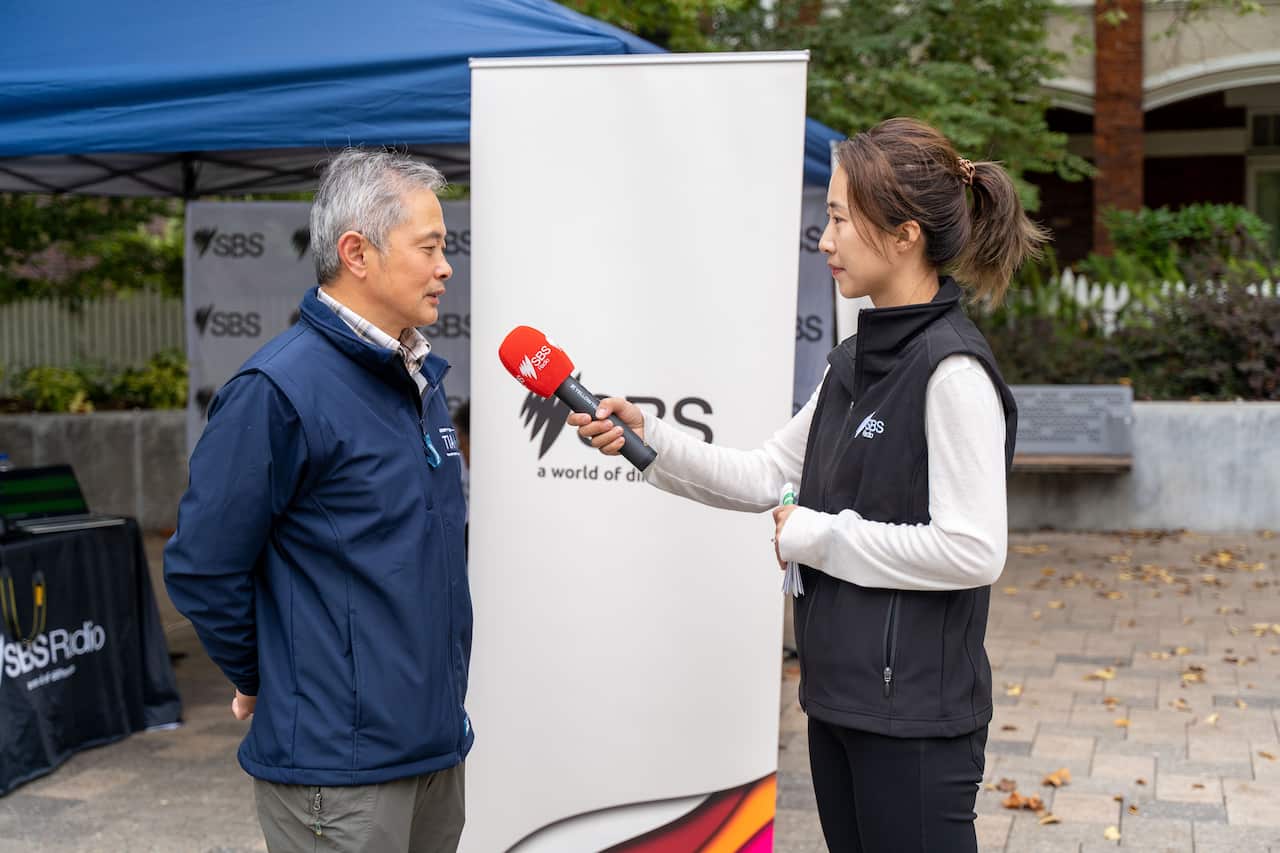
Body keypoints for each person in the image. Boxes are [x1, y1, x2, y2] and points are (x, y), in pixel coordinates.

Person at [570, 117, 1044, 852]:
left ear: (904, 235)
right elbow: (764, 472)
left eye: (840, 219)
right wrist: (646, 439)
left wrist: (819, 535)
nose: (824, 240)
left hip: (916, 720)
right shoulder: (853, 361)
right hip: (838, 701)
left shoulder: (952, 372)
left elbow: (975, 549)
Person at [165, 149, 471, 853]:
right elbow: (202, 567)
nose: (445, 267)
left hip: (433, 754)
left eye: (444, 248)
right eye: (429, 247)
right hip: (340, 775)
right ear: (356, 253)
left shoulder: (415, 379)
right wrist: (264, 672)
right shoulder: (278, 391)